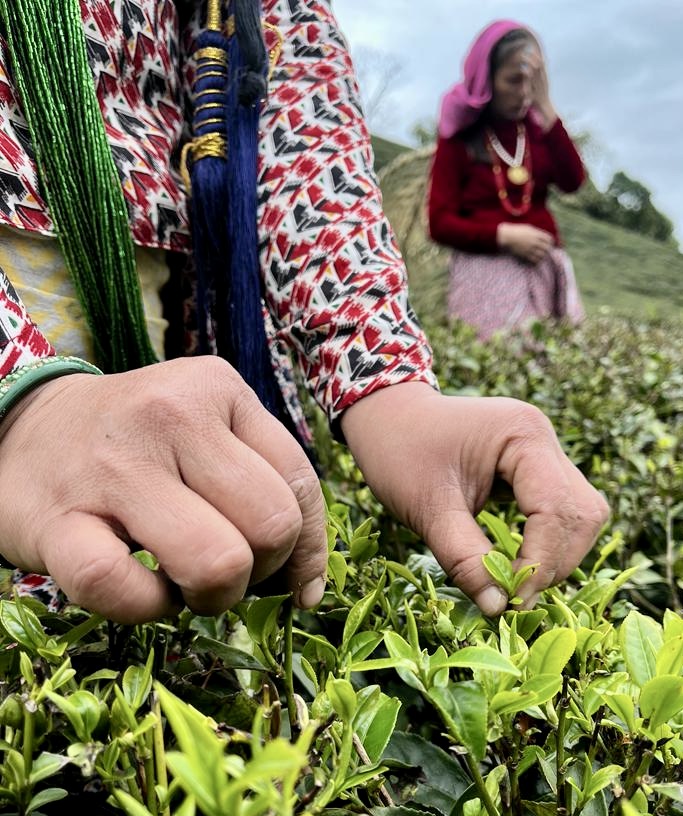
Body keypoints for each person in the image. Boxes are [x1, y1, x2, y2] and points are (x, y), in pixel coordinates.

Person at [0, 1, 608, 626]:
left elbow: (297, 118)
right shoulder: (466, 140)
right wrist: (21, 402)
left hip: (161, 317)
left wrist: (386, 388)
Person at [428, 20, 586, 339]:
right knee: (495, 369)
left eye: (532, 82)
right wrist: (504, 236)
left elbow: (572, 180)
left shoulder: (538, 129)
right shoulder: (459, 136)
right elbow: (439, 222)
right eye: (513, 81)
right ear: (487, 80)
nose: (523, 93)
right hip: (484, 277)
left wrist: (547, 107)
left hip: (544, 274)